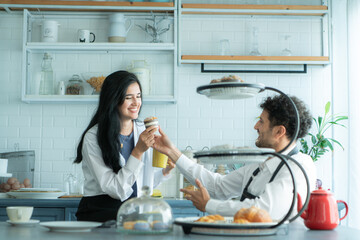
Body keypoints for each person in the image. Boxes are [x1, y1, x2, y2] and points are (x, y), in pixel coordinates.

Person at [153, 95, 316, 221]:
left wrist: (209, 205)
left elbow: (263, 210)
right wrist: (171, 151)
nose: (255, 127)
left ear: (279, 132)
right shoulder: (260, 165)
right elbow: (218, 187)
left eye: (261, 121)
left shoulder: (299, 166)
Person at [74, 71, 174, 222]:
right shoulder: (93, 137)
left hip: (133, 213)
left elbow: (140, 183)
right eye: (129, 97)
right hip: (99, 213)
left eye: (138, 96)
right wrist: (138, 152)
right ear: (113, 99)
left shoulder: (142, 131)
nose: (136, 102)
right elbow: (116, 190)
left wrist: (165, 171)